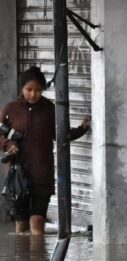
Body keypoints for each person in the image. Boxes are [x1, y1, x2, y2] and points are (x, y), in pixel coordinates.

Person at [0, 66, 90, 236]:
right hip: (18, 177)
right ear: (22, 89)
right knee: (21, 225)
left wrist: (82, 129)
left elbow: (62, 135)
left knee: (38, 221)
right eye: (29, 90)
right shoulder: (10, 110)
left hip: (42, 173)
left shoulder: (50, 109)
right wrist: (8, 145)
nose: (33, 94)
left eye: (38, 90)